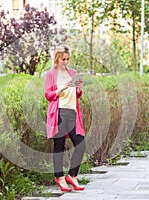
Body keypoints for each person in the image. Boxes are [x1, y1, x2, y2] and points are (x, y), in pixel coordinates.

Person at [44, 44, 86, 192]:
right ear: (57, 59)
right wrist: (60, 89)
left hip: (73, 113)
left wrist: (79, 89)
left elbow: (77, 95)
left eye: (68, 59)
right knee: (59, 147)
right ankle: (59, 177)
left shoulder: (73, 72)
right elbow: (48, 95)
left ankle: (72, 175)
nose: (66, 62)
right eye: (63, 59)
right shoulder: (51, 74)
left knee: (81, 144)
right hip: (59, 113)